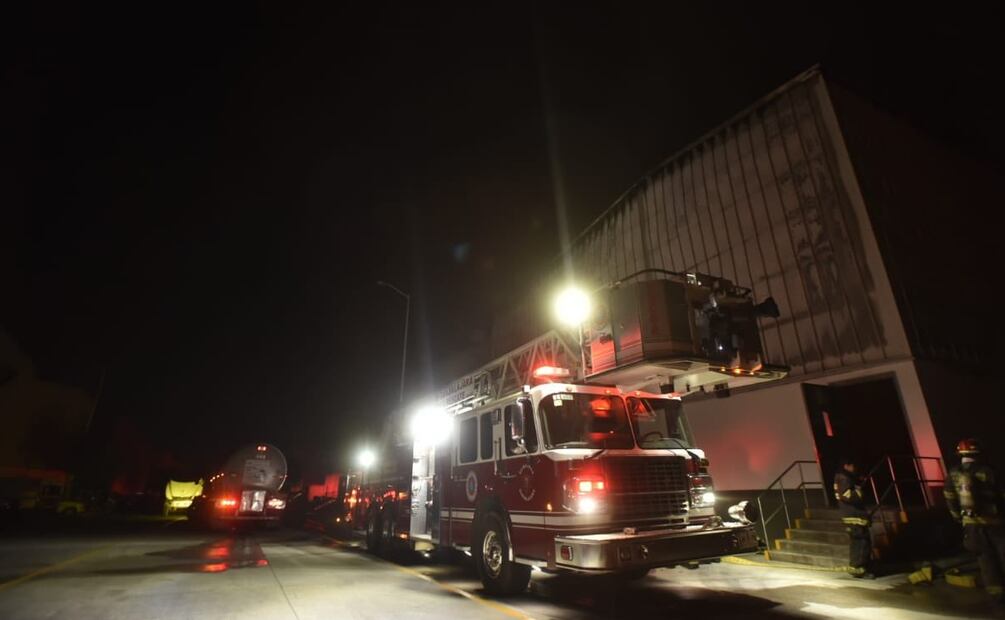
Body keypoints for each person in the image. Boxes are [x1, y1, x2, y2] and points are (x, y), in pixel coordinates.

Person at [944, 438, 1005, 603]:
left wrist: (959, 518)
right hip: (996, 524)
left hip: (971, 526)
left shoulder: (953, 474)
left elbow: (950, 499)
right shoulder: (989, 471)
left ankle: (997, 596)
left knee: (986, 562)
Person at [834, 457, 874, 578]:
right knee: (862, 542)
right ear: (847, 465)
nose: (854, 468)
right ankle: (859, 569)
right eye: (853, 466)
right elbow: (848, 495)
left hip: (853, 515)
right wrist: (859, 491)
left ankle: (857, 567)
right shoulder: (843, 478)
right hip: (854, 516)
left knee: (858, 542)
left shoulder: (843, 477)